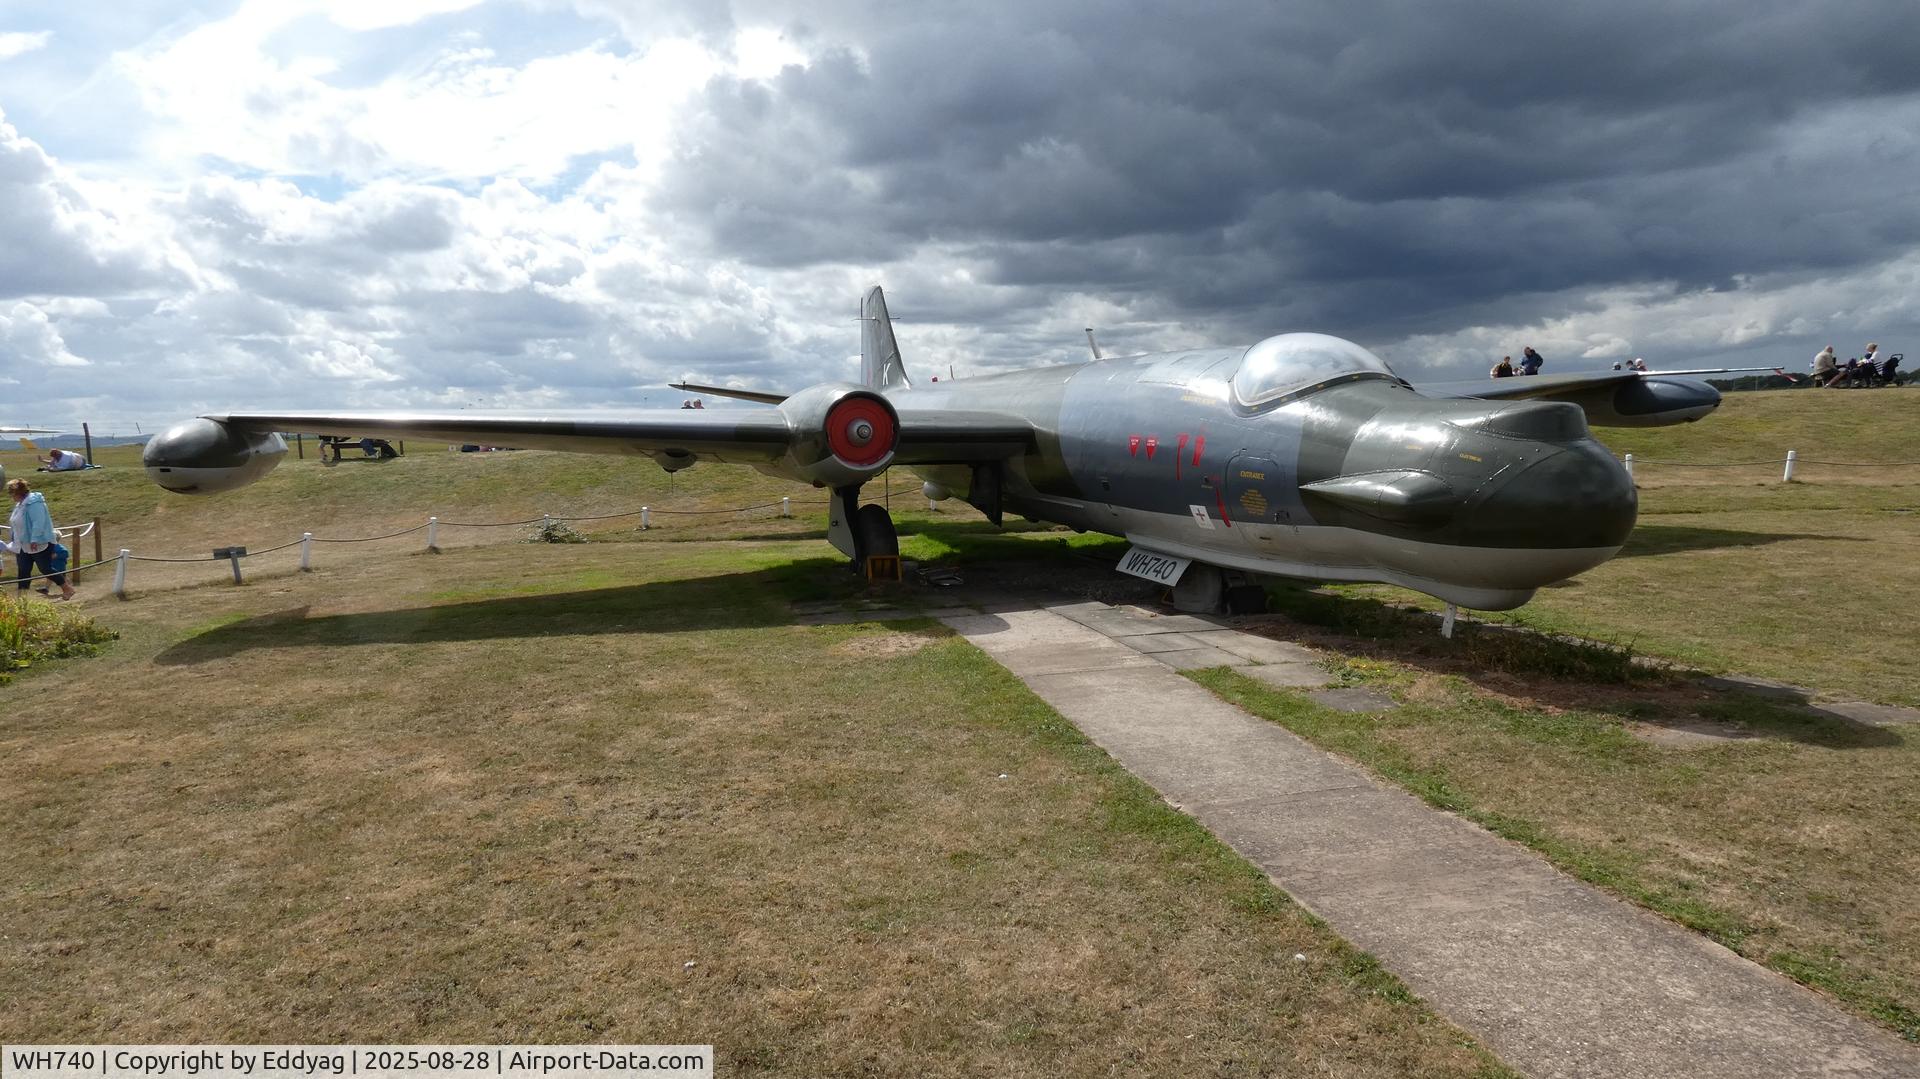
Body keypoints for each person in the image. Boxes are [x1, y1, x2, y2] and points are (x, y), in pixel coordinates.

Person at [7, 478, 73, 601]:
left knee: (45, 568)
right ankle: (22, 600)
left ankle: (67, 588)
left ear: (17, 492)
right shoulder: (20, 505)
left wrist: (35, 539)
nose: (10, 496)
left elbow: (38, 522)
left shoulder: (34, 503)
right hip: (23, 544)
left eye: (11, 493)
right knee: (23, 571)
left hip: (39, 543)